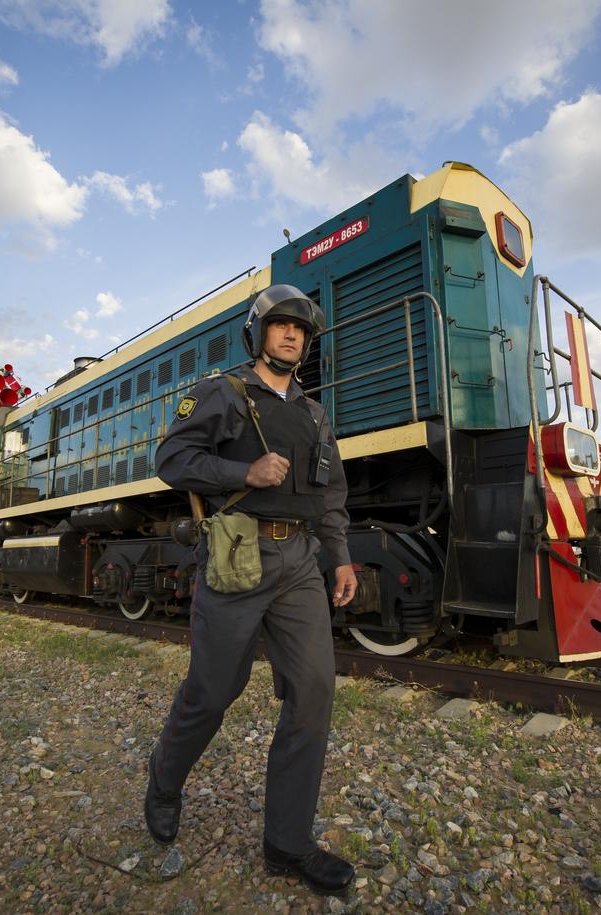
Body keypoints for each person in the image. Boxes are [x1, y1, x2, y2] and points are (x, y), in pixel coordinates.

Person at [145, 284, 358, 896]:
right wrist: (244, 471)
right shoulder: (224, 392)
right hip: (238, 555)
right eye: (281, 325)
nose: (293, 334)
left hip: (299, 562)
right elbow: (172, 459)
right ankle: (164, 780)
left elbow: (330, 494)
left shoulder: (315, 414)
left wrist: (340, 558)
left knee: (313, 691)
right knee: (213, 692)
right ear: (258, 332)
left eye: (302, 329)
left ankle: (287, 844)